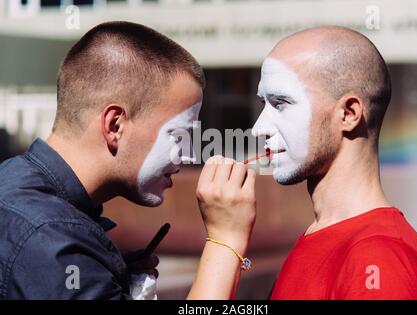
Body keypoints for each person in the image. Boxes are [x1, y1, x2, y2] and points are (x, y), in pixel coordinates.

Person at [0, 21, 256, 299]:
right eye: (178, 135)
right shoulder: (54, 243)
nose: (190, 155)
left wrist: (103, 275)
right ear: (115, 125)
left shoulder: (15, 185)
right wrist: (224, 240)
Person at [250, 26, 417, 299]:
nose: (258, 128)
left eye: (281, 103)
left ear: (348, 114)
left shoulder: (378, 254)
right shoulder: (324, 233)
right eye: (263, 103)